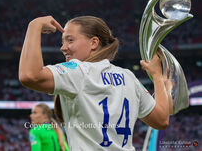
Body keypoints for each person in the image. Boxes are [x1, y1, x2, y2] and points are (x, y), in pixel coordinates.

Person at [19, 15, 172, 150]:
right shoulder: (128, 77)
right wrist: (157, 76)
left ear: (94, 43)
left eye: (70, 40)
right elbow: (161, 119)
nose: (63, 48)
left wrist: (34, 26)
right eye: (63, 41)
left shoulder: (78, 71)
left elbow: (29, 76)